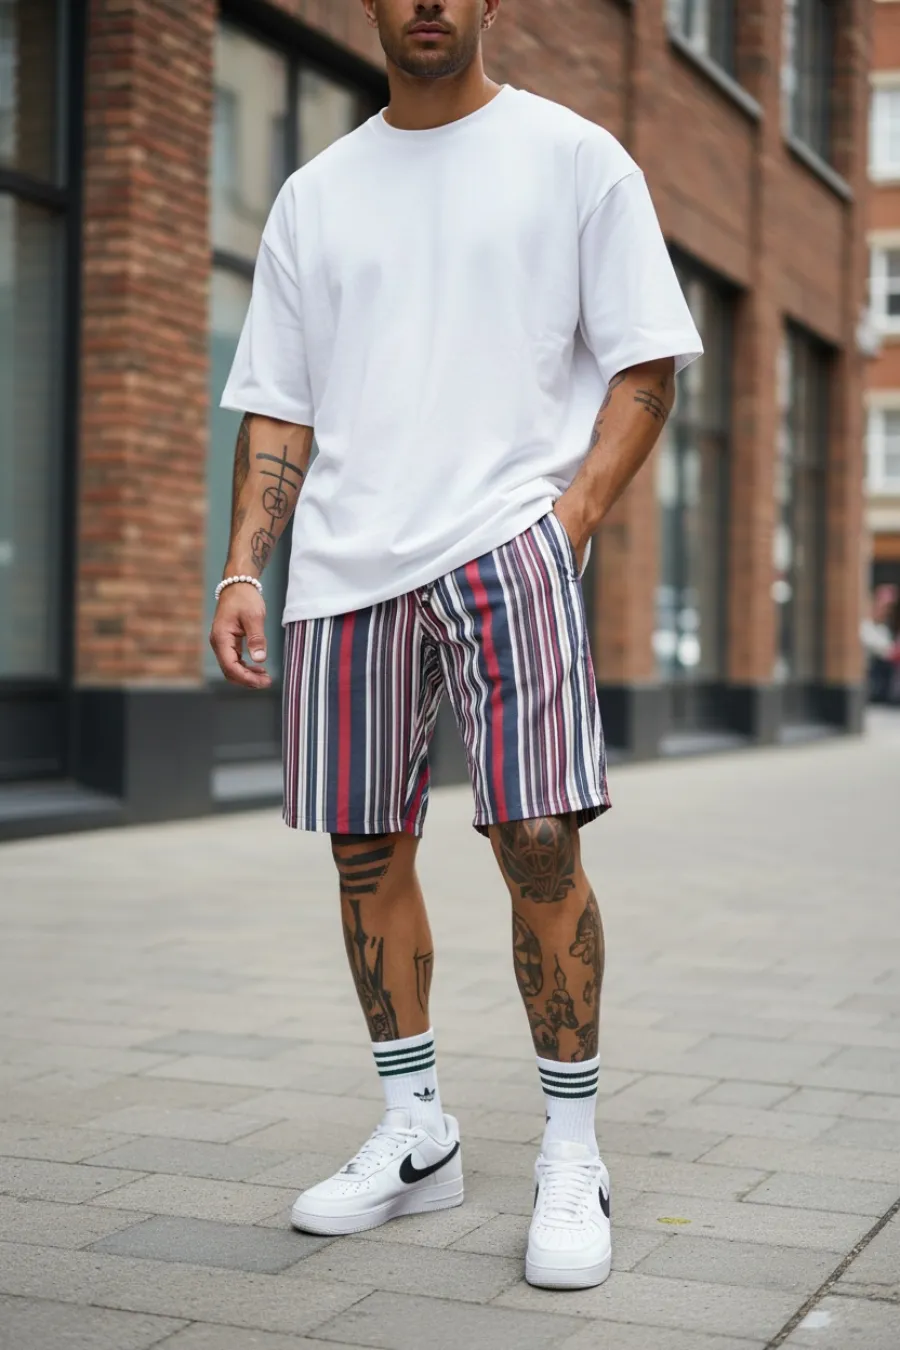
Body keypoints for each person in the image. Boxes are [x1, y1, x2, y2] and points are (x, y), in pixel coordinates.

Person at [210, 0, 701, 1291]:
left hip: (506, 545)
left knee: (537, 838)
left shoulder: (576, 158)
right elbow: (278, 407)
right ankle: (417, 1131)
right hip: (342, 571)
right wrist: (243, 565)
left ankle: (573, 1151)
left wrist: (567, 522)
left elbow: (649, 364)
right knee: (365, 849)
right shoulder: (315, 197)